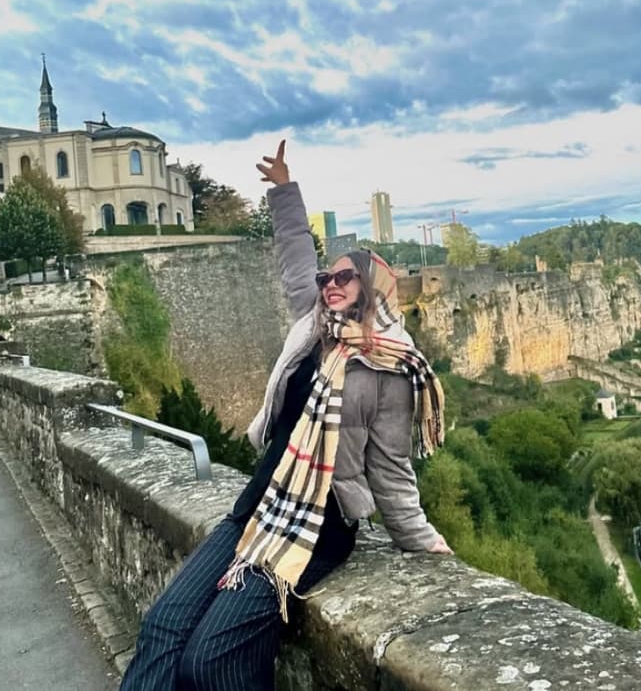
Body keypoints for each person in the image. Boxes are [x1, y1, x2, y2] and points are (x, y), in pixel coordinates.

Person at [120, 140, 450, 691]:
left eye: (343, 278)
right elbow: (295, 255)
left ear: (372, 288)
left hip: (320, 526)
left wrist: (421, 538)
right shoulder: (310, 325)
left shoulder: (390, 369)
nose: (329, 285)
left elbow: (390, 469)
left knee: (209, 659)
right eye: (327, 279)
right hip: (258, 505)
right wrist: (284, 190)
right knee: (162, 627)